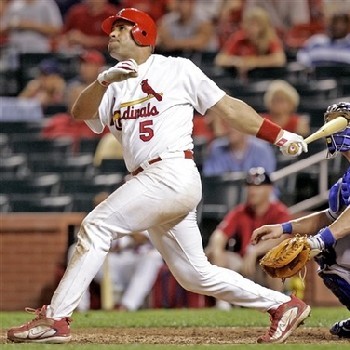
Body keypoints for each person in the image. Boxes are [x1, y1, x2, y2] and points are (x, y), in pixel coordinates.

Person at [7, 8, 310, 345]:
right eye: (113, 28)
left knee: (96, 225)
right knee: (194, 274)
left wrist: (279, 135)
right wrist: (102, 80)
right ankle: (283, 305)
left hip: (171, 170)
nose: (113, 33)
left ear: (143, 35)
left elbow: (228, 108)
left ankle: (57, 318)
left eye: (122, 28)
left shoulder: (175, 69)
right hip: (151, 180)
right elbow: (80, 112)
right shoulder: (112, 83)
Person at [251, 102, 350, 339]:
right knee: (328, 256)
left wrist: (319, 241)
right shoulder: (345, 182)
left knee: (325, 246)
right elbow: (330, 217)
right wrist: (284, 228)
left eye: (340, 122)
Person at [205, 167, 291, 309]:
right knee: (212, 252)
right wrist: (217, 249)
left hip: (265, 268)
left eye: (258, 187)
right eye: (250, 186)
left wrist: (255, 250)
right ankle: (223, 303)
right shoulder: (240, 211)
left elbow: (283, 237)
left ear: (269, 189)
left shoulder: (279, 212)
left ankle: (278, 305)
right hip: (243, 264)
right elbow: (219, 234)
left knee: (277, 261)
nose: (252, 191)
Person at [215, 6, 286, 80]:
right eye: (249, 24)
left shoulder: (270, 38)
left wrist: (254, 62)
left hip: (265, 78)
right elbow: (220, 59)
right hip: (241, 80)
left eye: (256, 24)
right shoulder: (239, 37)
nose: (252, 28)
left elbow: (280, 59)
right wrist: (237, 61)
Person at [202, 121, 276, 176]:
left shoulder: (262, 149)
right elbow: (212, 179)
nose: (230, 129)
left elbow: (266, 183)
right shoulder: (217, 149)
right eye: (227, 125)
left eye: (234, 126)